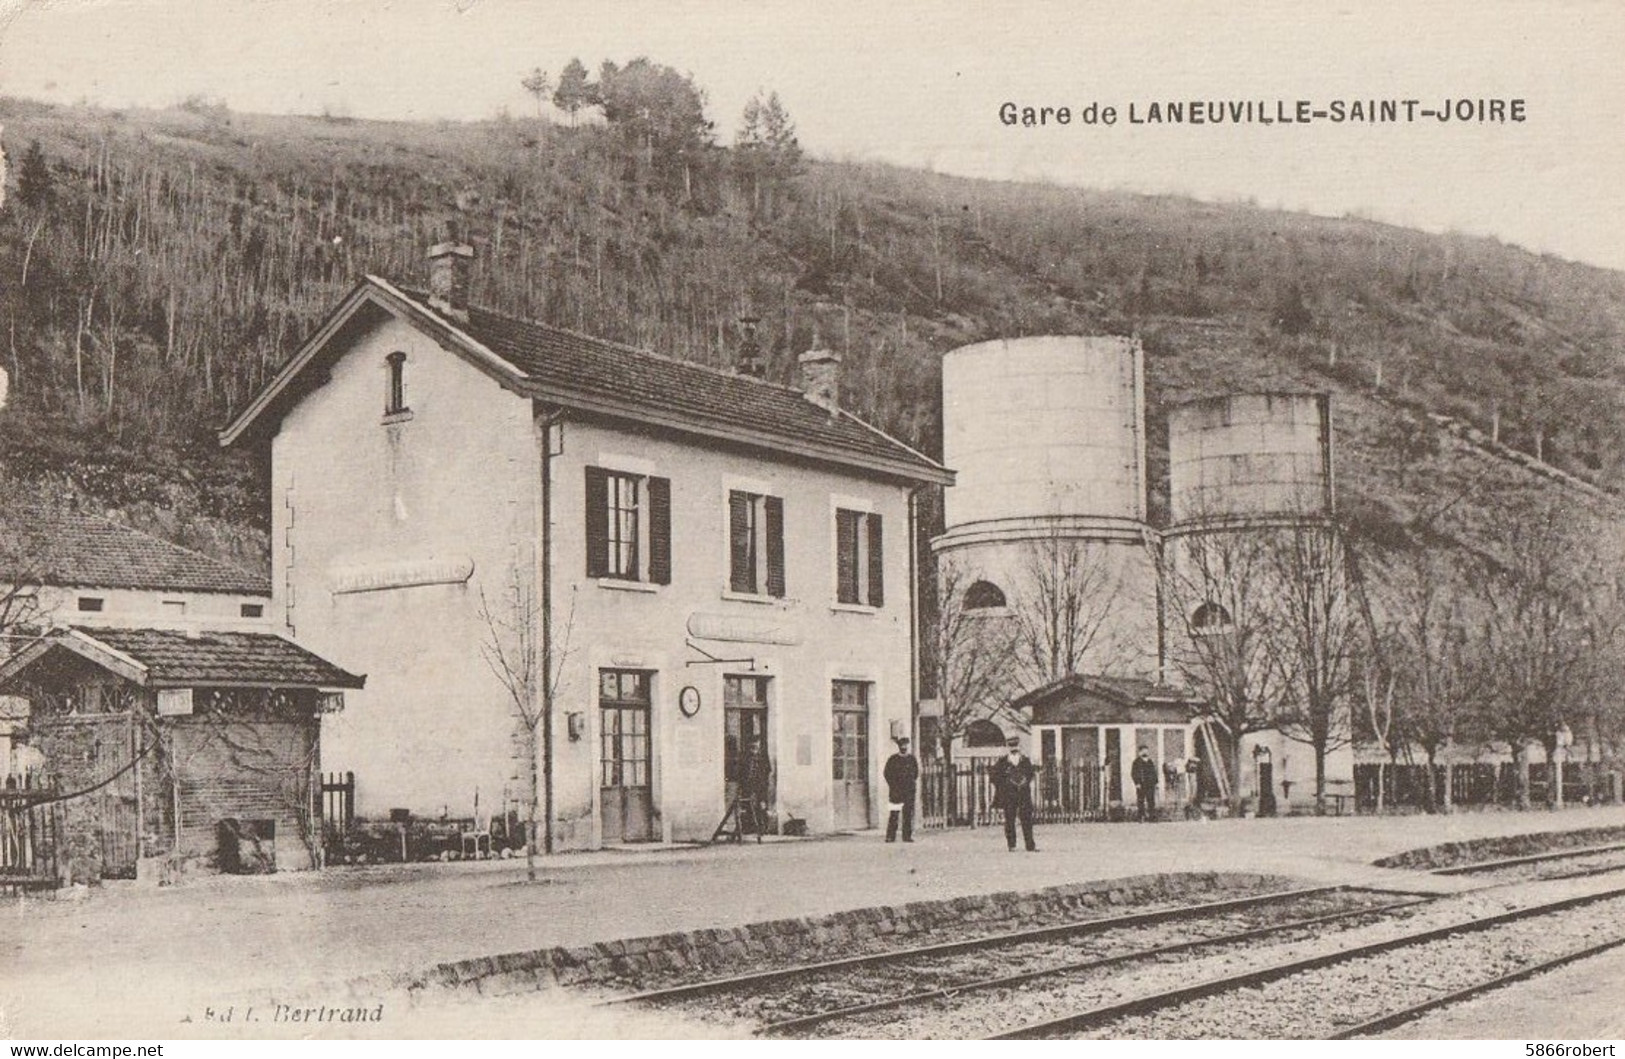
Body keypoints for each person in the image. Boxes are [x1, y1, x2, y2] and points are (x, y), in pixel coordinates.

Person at [990, 736, 1038, 852]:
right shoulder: (1002, 762)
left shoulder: (1025, 760)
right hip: (1009, 795)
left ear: (1019, 746)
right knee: (1009, 819)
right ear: (1008, 747)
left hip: (1023, 794)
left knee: (1026, 819)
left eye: (1015, 746)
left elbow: (1031, 774)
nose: (1014, 748)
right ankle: (1012, 845)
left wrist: (1024, 781)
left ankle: (1030, 845)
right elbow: (994, 777)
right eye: (1011, 746)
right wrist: (1005, 784)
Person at [883, 736, 919, 843]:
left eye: (905, 745)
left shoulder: (912, 759)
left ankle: (907, 836)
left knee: (908, 814)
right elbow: (887, 773)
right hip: (896, 792)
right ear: (899, 747)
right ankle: (890, 836)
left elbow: (915, 773)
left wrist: (910, 784)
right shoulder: (893, 759)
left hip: (909, 791)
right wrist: (893, 786)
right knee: (894, 813)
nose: (904, 747)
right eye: (902, 745)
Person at [1131, 746, 1159, 821]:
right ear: (1140, 752)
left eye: (1146, 751)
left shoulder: (1150, 761)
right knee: (1141, 800)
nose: (1145, 752)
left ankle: (1151, 816)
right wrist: (1137, 783)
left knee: (1151, 800)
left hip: (1150, 784)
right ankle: (1141, 816)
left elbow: (1154, 772)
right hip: (1141, 784)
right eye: (1143, 751)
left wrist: (1156, 782)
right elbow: (1134, 773)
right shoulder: (1136, 762)